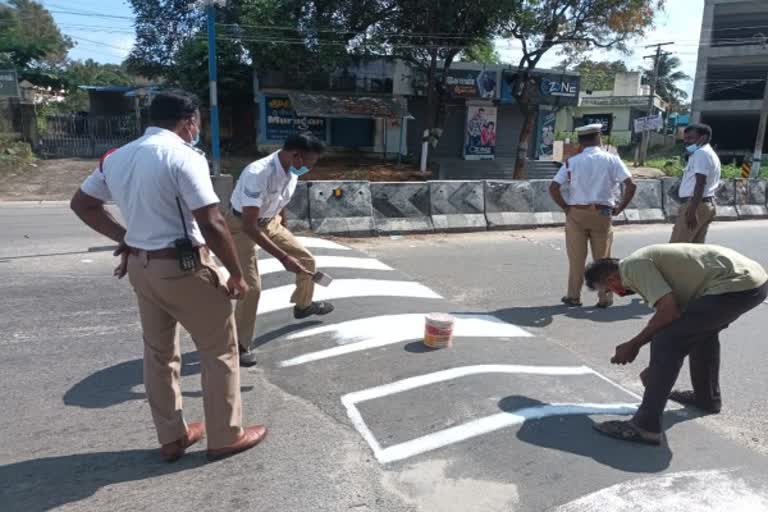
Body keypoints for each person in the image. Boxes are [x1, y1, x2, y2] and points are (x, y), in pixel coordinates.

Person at [70, 90, 267, 462]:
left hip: (141, 268)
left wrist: (125, 238)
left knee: (159, 355)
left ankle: (172, 437)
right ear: (189, 121)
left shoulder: (116, 157)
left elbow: (82, 204)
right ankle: (226, 436)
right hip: (184, 268)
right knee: (219, 351)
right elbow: (212, 220)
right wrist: (237, 275)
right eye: (197, 124)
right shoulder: (183, 156)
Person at [584, 244, 768, 445]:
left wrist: (633, 345)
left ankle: (646, 426)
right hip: (751, 283)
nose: (615, 293)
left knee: (667, 339)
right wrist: (656, 369)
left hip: (736, 285)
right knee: (701, 332)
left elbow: (668, 312)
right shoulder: (641, 266)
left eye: (608, 290)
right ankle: (707, 398)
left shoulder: (632, 267)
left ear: (611, 279)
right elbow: (675, 314)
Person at [228, 133, 334, 366]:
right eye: (309, 162)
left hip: (269, 222)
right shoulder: (258, 173)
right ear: (296, 155)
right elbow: (249, 225)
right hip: (241, 226)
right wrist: (283, 257)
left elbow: (280, 202)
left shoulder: (291, 170)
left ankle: (303, 306)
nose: (310, 167)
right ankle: (240, 343)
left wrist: (283, 230)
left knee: (306, 260)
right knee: (251, 288)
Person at [549, 123, 637, 308]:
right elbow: (631, 185)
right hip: (603, 213)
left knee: (576, 259)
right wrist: (620, 208)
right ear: (599, 138)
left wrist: (565, 207)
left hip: (577, 214)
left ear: (581, 141)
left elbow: (554, 187)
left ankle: (573, 297)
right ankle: (605, 298)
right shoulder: (612, 160)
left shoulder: (572, 162)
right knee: (603, 260)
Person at [671, 123, 721, 243]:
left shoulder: (701, 153)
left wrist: (692, 210)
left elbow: (700, 183)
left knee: (676, 249)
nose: (686, 142)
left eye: (690, 138)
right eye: (685, 138)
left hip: (695, 205)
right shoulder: (707, 153)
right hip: (705, 204)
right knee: (694, 250)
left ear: (703, 138)